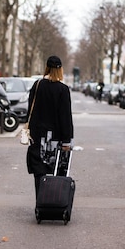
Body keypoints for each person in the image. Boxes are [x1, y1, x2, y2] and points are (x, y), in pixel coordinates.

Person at [26, 55, 74, 197]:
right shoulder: (62, 89)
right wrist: (67, 140)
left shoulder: (37, 85)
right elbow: (65, 116)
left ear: (46, 68)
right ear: (60, 70)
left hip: (38, 136)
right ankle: (54, 202)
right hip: (55, 139)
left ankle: (40, 203)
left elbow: (31, 110)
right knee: (56, 173)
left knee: (39, 172)